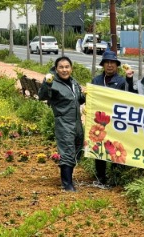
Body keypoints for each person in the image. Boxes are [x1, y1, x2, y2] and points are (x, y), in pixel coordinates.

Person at [38, 56, 85, 192]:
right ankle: (67, 184)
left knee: (78, 147)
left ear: (71, 68)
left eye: (67, 67)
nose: (64, 70)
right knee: (67, 151)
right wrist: (46, 84)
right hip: (64, 122)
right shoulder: (52, 82)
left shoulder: (74, 82)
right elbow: (42, 96)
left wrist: (84, 95)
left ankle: (68, 175)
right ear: (56, 69)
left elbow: (78, 100)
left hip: (77, 122)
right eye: (61, 67)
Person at [91, 50, 135, 187]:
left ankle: (116, 178)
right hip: (100, 122)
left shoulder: (121, 81)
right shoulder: (96, 80)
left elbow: (129, 96)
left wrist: (129, 79)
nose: (110, 65)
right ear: (103, 65)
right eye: (107, 62)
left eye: (113, 63)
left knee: (115, 148)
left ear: (117, 65)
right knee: (99, 147)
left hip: (116, 122)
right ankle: (100, 177)